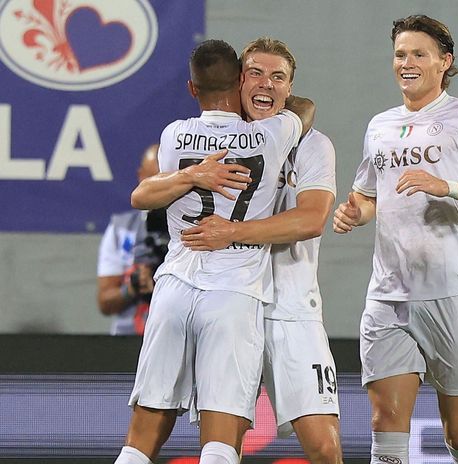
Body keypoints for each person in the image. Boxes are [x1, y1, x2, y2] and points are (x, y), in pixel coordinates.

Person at [332, 15, 458, 464]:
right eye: (400, 54)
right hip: (388, 295)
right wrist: (354, 211)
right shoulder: (380, 125)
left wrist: (448, 186)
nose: (407, 63)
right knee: (385, 429)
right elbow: (368, 194)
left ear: (444, 62)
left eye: (419, 54)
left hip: (452, 293)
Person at [113, 39, 313, 464]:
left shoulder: (174, 134)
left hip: (173, 288)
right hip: (233, 291)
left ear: (191, 88)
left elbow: (145, 193)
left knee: (141, 438)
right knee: (221, 442)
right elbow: (305, 110)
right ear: (241, 80)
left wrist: (193, 174)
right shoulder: (271, 133)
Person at [177, 37, 343, 463]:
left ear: (289, 88)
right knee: (221, 444)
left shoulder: (312, 144)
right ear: (237, 82)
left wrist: (232, 232)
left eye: (278, 77)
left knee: (324, 446)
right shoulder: (213, 142)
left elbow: (311, 220)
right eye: (255, 73)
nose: (266, 84)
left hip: (291, 308)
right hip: (229, 302)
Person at [96, 144, 160, 335]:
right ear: (142, 177)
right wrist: (132, 286)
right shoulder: (120, 229)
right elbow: (105, 303)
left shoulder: (196, 226)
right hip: (128, 338)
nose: (161, 187)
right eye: (155, 178)